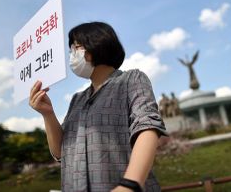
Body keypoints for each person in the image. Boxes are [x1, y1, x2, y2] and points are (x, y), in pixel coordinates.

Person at [29, 22, 168, 192]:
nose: (72, 55)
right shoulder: (77, 99)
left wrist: (130, 185)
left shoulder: (132, 79)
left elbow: (147, 126)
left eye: (76, 47)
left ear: (97, 44)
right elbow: (61, 152)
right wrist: (47, 115)